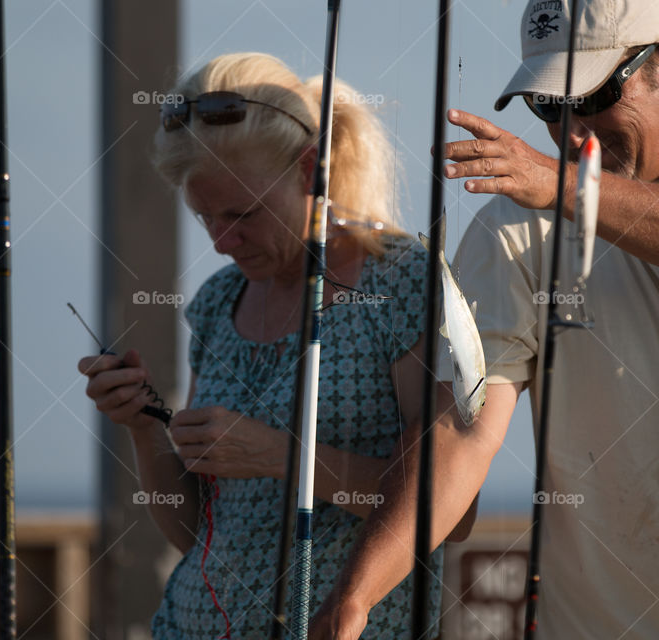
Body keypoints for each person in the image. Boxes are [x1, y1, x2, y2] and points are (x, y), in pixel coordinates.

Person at [310, 0, 659, 638]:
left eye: (597, 93)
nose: (573, 130)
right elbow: (461, 433)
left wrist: (560, 188)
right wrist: (350, 600)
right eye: (549, 106)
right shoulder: (510, 228)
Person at [78, 52, 466, 638]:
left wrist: (286, 458)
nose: (221, 242)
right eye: (204, 217)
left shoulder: (400, 281)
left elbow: (449, 511)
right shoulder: (218, 301)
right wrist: (142, 427)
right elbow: (199, 531)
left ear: (310, 170)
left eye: (243, 214)